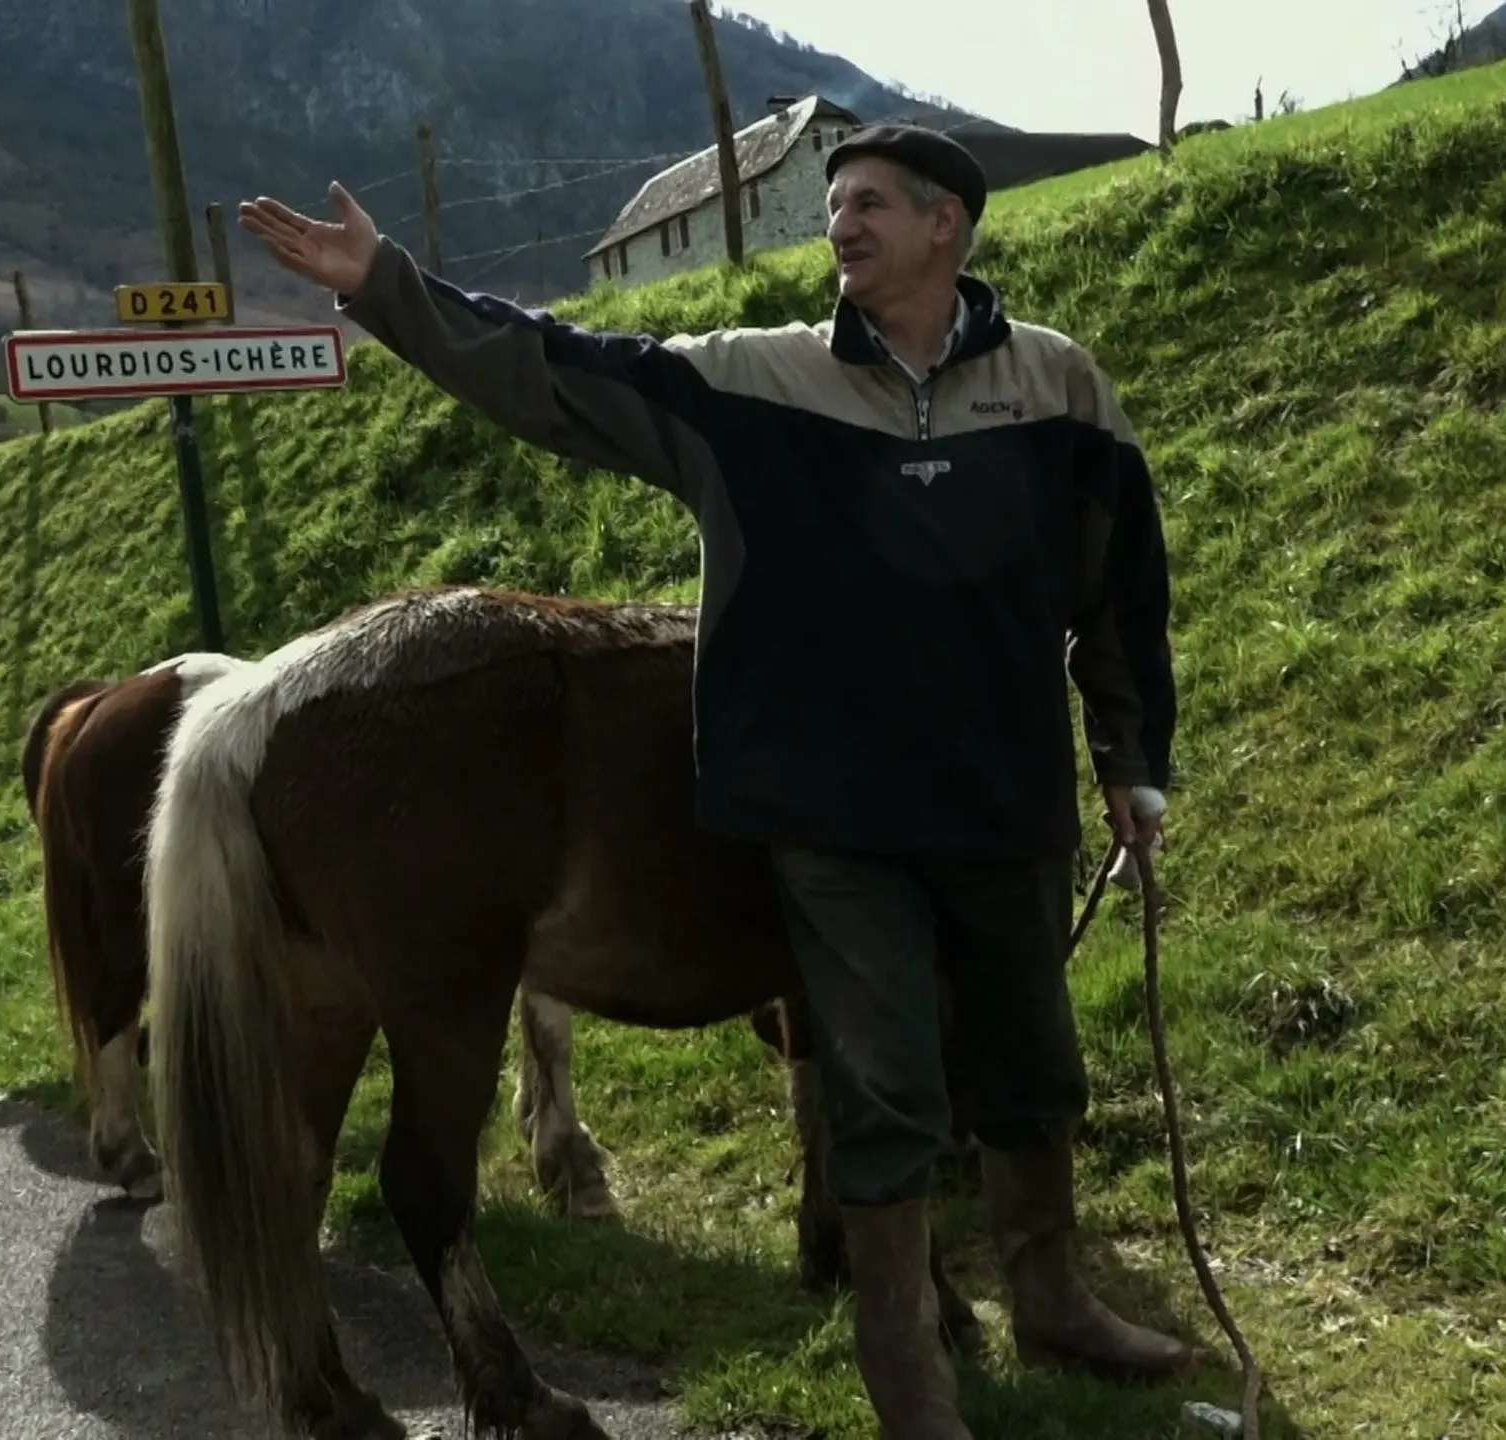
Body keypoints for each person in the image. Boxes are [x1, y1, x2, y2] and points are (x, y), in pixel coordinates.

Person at [239, 122, 1192, 1436]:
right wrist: (389, 287)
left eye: (869, 204)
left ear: (945, 229)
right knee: (882, 1086)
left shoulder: (1060, 387)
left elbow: (1124, 590)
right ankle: (906, 1364)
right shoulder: (757, 384)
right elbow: (556, 373)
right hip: (833, 818)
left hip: (1007, 804)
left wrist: (1132, 764)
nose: (841, 223)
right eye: (834, 203)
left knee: (1030, 1064)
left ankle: (1054, 1301)